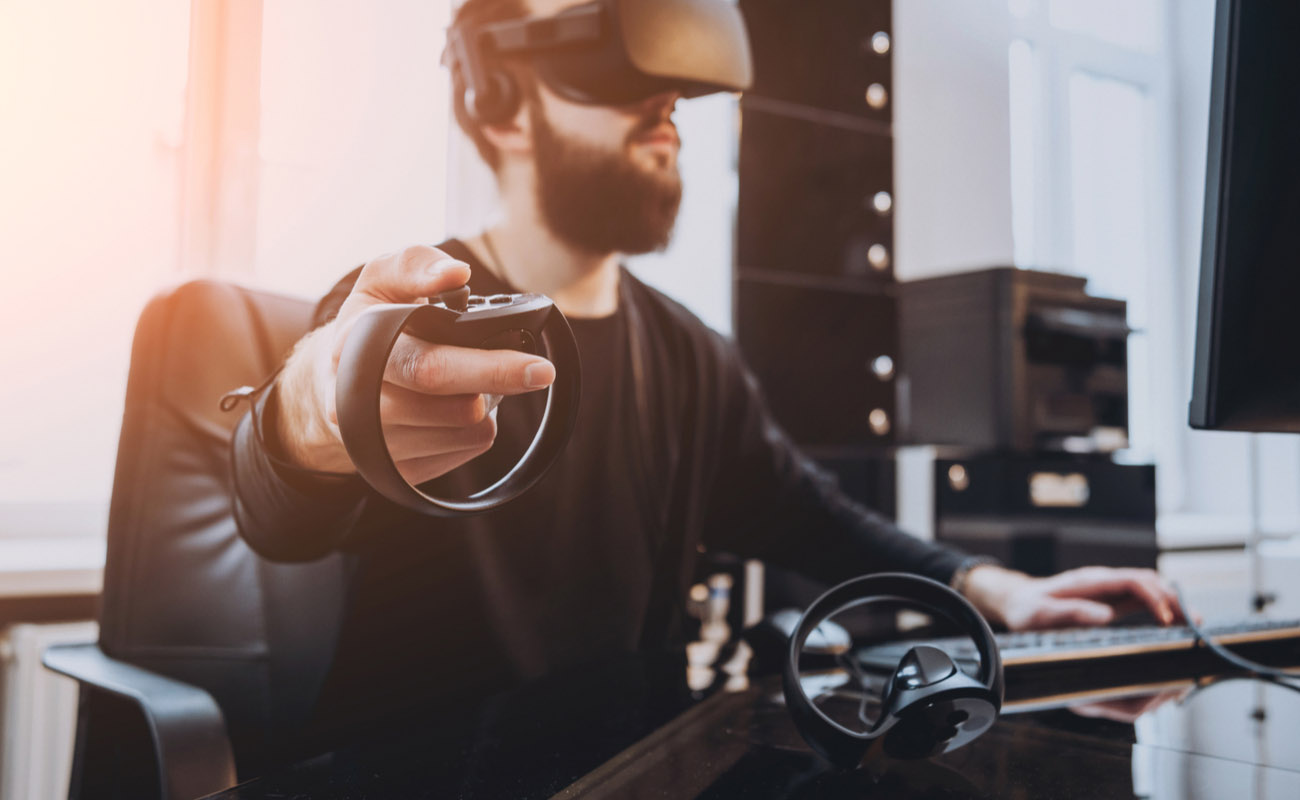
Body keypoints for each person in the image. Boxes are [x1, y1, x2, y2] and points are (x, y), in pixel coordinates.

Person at [230, 0, 1186, 746]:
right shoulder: (398, 320)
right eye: (619, 83)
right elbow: (278, 506)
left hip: (630, 766)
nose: (666, 110)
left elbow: (812, 518)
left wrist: (1000, 591)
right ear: (499, 106)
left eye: (673, 96)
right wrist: (311, 407)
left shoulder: (686, 354)